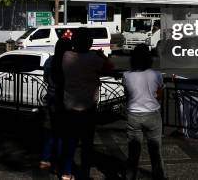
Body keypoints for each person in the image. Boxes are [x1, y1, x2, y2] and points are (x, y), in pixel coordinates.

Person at [61, 27, 112, 180]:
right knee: (87, 144)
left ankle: (66, 173)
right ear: (89, 42)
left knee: (69, 142)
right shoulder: (94, 59)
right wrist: (102, 56)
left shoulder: (66, 56)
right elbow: (110, 68)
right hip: (88, 108)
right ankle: (84, 173)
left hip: (69, 107)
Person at [123, 44, 166, 180]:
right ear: (149, 58)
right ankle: (158, 177)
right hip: (152, 114)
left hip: (133, 115)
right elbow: (159, 95)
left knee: (133, 153)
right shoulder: (156, 74)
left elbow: (127, 95)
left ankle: (130, 177)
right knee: (155, 152)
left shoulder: (126, 75)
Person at [40, 38, 72, 171]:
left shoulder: (50, 61)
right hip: (65, 100)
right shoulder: (70, 62)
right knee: (62, 133)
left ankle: (45, 159)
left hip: (51, 98)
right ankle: (58, 163)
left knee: (49, 130)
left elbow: (45, 78)